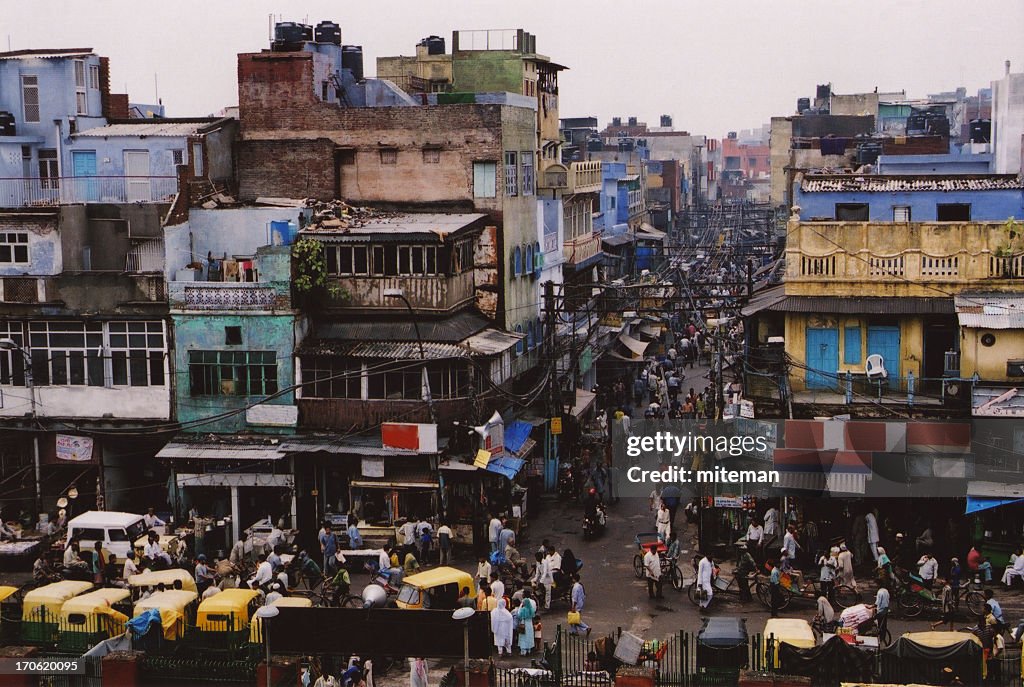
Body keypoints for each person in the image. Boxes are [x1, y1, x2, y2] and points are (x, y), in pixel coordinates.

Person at [516, 589, 537, 654]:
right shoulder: (533, 602)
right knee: (530, 635)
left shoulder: (523, 602)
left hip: (524, 622)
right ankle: (529, 649)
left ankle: (523, 650)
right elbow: (534, 610)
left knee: (523, 636)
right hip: (530, 622)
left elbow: (519, 613)